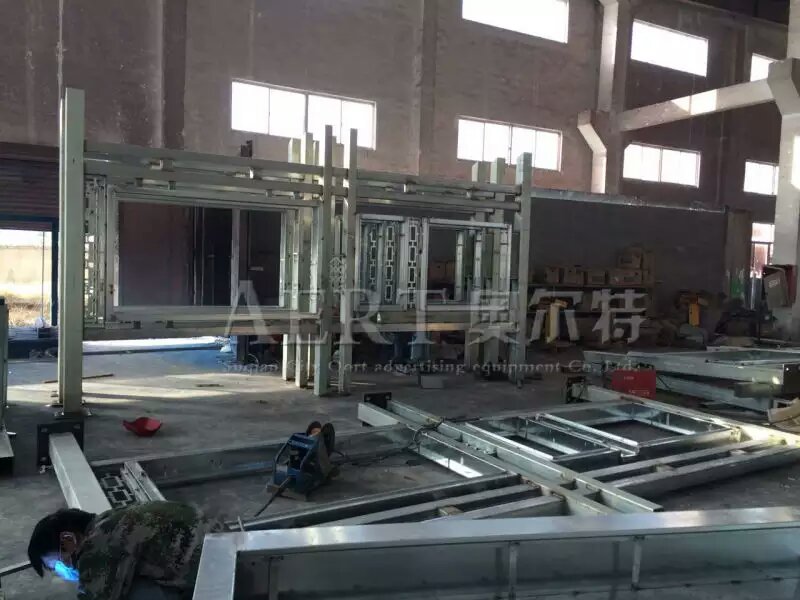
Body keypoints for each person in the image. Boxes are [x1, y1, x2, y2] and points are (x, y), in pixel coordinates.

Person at [27, 501, 223, 600]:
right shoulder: (111, 519)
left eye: (56, 564)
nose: (62, 571)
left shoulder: (98, 545)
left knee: (130, 592)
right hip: (224, 545)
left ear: (68, 539)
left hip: (220, 578)